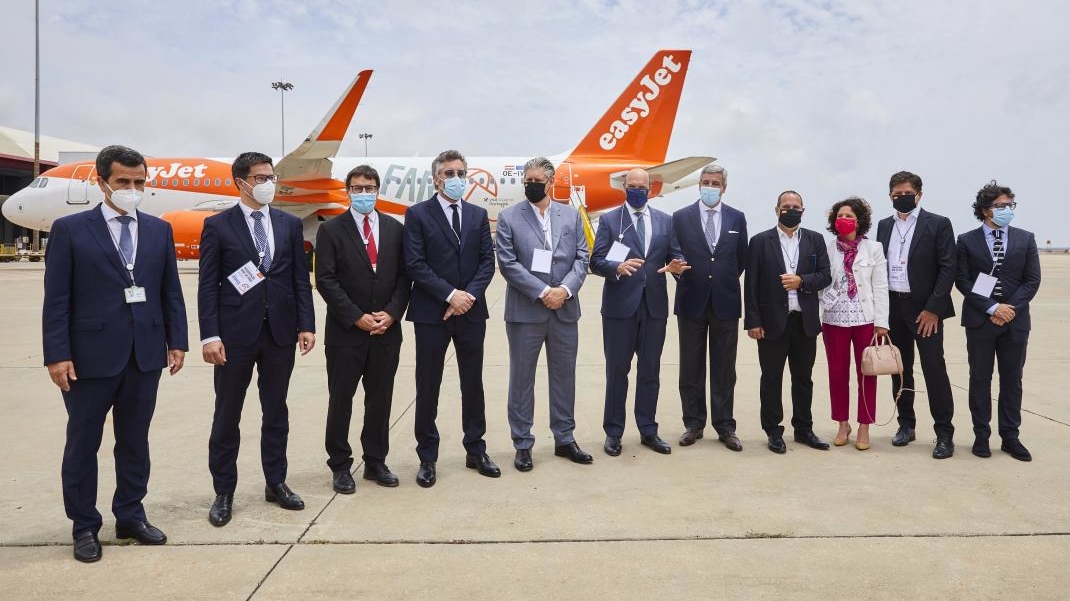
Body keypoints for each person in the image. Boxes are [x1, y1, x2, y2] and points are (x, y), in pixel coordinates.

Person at [42, 145, 188, 562]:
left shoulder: (159, 230)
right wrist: (57, 354)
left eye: (139, 182)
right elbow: (57, 299)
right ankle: (84, 525)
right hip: (88, 358)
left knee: (135, 442)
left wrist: (177, 341)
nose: (132, 189)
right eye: (123, 181)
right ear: (102, 182)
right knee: (83, 444)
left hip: (145, 355)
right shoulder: (70, 230)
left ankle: (130, 515)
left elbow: (170, 291)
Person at [198, 151, 316, 526]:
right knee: (227, 414)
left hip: (280, 332)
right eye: (261, 178)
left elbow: (299, 279)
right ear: (241, 183)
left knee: (276, 411)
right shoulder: (218, 226)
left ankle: (276, 481)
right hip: (234, 335)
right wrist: (210, 335)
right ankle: (224, 491)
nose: (268, 184)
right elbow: (208, 285)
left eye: (271, 177)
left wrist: (306, 324)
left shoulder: (288, 224)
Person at [403, 149, 498, 487]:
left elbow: (487, 262)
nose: (456, 178)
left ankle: (476, 449)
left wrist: (466, 297)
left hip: (470, 312)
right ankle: (427, 456)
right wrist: (449, 295)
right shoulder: (417, 214)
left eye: (460, 173)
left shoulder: (477, 214)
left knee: (473, 383)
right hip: (432, 313)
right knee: (428, 384)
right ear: (436, 179)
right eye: (449, 173)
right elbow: (415, 264)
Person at [315, 165, 410, 492]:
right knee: (341, 399)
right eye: (357, 188)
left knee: (380, 399)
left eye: (369, 188)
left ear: (378, 190)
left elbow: (404, 277)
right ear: (348, 192)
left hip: (386, 331)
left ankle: (375, 460)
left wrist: (392, 313)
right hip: (346, 333)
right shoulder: (331, 230)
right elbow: (325, 279)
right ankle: (340, 464)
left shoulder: (395, 229)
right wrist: (356, 316)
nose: (364, 193)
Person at [496, 157, 592, 469]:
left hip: (564, 309)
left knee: (564, 377)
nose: (532, 185)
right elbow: (508, 263)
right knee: (521, 380)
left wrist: (564, 290)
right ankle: (523, 442)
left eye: (538, 181)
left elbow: (582, 258)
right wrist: (542, 292)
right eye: (528, 181)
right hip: (526, 311)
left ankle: (564, 438)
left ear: (551, 183)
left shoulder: (571, 215)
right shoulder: (509, 217)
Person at [590, 168, 690, 456]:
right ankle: (613, 432)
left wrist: (677, 265)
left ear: (650, 189)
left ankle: (648, 429)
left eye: (642, 187)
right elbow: (596, 261)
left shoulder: (665, 221)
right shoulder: (610, 220)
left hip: (654, 307)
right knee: (617, 372)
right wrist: (616, 267)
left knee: (650, 371)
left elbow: (675, 255)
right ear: (624, 187)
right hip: (619, 308)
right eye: (632, 186)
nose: (637, 191)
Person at [955, 181, 1041, 461]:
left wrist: (1009, 308)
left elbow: (1032, 280)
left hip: (1015, 321)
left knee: (1012, 379)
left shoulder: (1025, 238)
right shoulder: (966, 240)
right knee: (980, 378)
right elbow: (963, 280)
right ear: (985, 210)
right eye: (1000, 206)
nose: (1007, 210)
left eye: (1010, 205)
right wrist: (992, 307)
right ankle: (981, 435)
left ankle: (1010, 437)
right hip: (980, 320)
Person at [875, 171, 957, 458]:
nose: (902, 197)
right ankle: (906, 425)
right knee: (900, 369)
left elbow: (948, 267)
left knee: (934, 368)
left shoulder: (938, 224)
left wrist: (933, 309)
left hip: (925, 310)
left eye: (907, 193)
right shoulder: (884, 226)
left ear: (919, 195)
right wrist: (880, 314)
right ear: (890, 196)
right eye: (896, 194)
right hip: (894, 307)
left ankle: (944, 433)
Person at [744, 191, 832, 454]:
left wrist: (801, 281)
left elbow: (825, 275)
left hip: (804, 322)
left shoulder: (815, 240)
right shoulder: (760, 241)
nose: (790, 210)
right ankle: (773, 431)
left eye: (795, 207)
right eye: (786, 206)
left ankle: (804, 429)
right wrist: (753, 321)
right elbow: (751, 284)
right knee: (771, 378)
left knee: (803, 378)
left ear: (803, 210)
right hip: (771, 323)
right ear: (777, 210)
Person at [671, 163, 748, 451]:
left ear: (724, 188)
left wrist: (720, 281)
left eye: (715, 183)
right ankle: (693, 423)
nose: (710, 187)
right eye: (706, 182)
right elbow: (674, 254)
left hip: (725, 302)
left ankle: (725, 425)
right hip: (691, 300)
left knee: (724, 368)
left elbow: (740, 259)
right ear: (699, 185)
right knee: (690, 367)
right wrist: (683, 272)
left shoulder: (737, 217)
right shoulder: (681, 217)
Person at [821, 196, 889, 451]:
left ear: (859, 221)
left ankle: (864, 425)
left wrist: (882, 322)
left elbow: (880, 286)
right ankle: (842, 423)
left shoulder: (874, 248)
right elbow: (821, 281)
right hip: (833, 319)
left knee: (867, 374)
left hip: (866, 320)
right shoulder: (827, 248)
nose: (844, 220)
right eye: (840, 216)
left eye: (849, 216)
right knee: (837, 373)